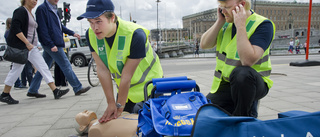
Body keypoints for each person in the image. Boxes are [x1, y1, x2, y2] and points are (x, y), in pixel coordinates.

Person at [77, 0, 163, 123]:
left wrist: (118, 106)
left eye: (98, 21)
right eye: (90, 22)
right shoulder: (91, 35)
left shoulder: (135, 34)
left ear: (112, 17)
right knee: (120, 123)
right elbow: (102, 69)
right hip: (125, 90)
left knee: (149, 125)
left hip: (150, 87)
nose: (94, 28)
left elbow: (127, 75)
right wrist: (111, 102)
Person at [200, 0, 275, 117]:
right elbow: (204, 44)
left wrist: (240, 26)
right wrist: (220, 21)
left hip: (252, 83)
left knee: (242, 74)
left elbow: (247, 60)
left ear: (242, 5)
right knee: (204, 115)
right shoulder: (226, 24)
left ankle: (242, 119)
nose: (222, 11)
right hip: (226, 84)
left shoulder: (263, 24)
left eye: (227, 7)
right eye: (221, 7)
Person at [0, 0, 70, 105]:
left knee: (43, 66)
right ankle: (5, 93)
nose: (34, 1)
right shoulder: (20, 11)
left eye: (36, 0)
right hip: (24, 47)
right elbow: (15, 28)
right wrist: (27, 43)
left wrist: (33, 44)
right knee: (16, 70)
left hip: (31, 48)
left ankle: (55, 90)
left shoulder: (30, 13)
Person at [29, 0, 91, 97]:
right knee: (66, 65)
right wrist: (50, 44)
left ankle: (32, 89)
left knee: (44, 67)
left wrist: (72, 33)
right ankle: (77, 87)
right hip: (53, 43)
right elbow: (42, 29)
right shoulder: (42, 9)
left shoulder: (54, 9)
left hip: (54, 42)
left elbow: (59, 26)